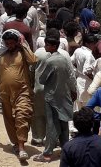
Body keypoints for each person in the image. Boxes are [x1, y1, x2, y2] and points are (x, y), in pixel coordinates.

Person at [33, 35, 77, 163]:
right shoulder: (64, 59)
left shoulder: (50, 61)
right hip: (64, 95)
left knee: (52, 125)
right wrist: (73, 90)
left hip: (51, 97)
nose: (45, 47)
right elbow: (70, 76)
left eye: (47, 45)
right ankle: (65, 149)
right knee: (64, 124)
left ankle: (47, 154)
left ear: (53, 46)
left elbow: (42, 79)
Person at [0, 30, 37, 161]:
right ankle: (15, 143)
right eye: (7, 43)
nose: (10, 46)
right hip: (5, 93)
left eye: (12, 43)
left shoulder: (22, 53)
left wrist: (23, 45)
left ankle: (21, 146)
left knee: (22, 116)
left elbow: (33, 60)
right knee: (9, 119)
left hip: (23, 91)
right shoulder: (1, 55)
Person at [72, 33, 98, 110]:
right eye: (93, 44)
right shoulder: (89, 55)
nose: (94, 46)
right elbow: (86, 71)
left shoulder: (78, 50)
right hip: (87, 83)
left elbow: (70, 61)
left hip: (79, 80)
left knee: (77, 105)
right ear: (87, 43)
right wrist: (96, 80)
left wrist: (76, 71)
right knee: (86, 105)